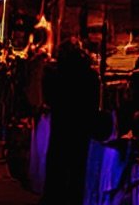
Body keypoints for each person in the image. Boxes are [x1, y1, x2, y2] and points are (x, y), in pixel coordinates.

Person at [39, 39, 101, 205]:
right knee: (77, 171)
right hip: (81, 129)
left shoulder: (56, 74)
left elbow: (48, 99)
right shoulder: (90, 76)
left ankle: (53, 198)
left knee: (57, 167)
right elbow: (94, 105)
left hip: (61, 125)